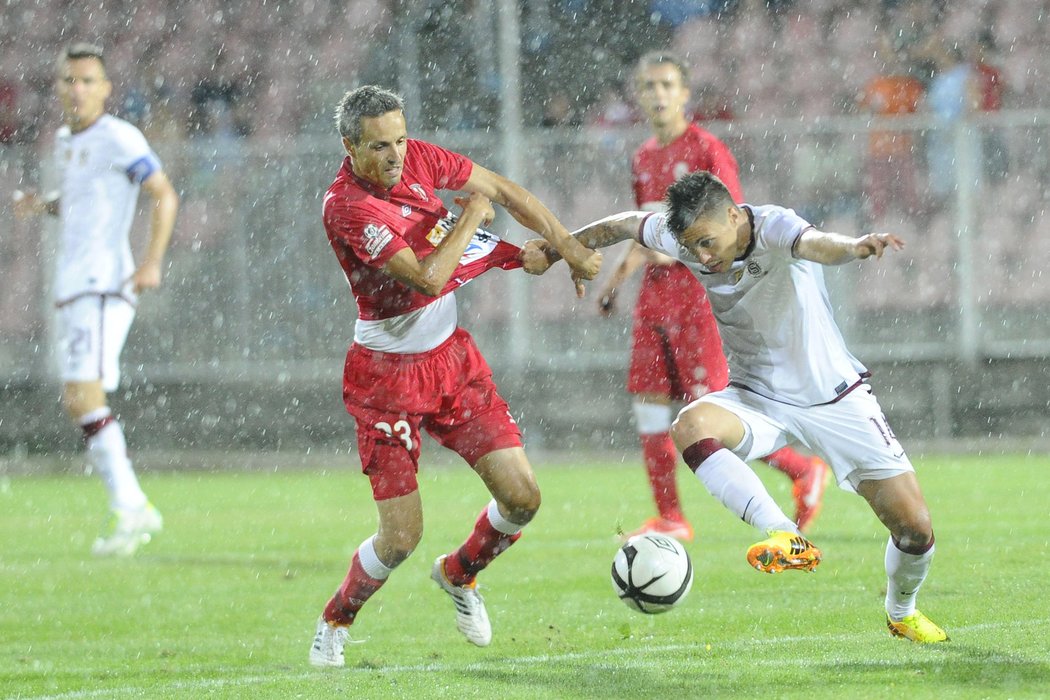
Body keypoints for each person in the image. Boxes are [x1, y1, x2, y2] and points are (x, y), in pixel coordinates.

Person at [523, 170, 948, 643]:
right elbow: (625, 223)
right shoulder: (683, 237)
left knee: (914, 529)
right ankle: (784, 533)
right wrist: (564, 247)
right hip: (756, 396)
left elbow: (817, 245)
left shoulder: (775, 227)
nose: (702, 257)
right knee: (690, 425)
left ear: (732, 214)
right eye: (691, 247)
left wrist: (852, 248)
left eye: (707, 242)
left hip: (835, 398)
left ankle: (901, 612)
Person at [309, 85, 602, 668]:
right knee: (399, 539)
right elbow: (427, 278)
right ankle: (336, 619)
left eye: (399, 139)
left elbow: (505, 191)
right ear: (349, 146)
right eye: (379, 147)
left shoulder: (416, 156)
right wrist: (469, 213)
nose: (395, 156)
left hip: (451, 361)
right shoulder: (347, 206)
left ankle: (459, 574)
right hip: (385, 379)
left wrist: (566, 247)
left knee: (522, 498)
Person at [596, 51, 827, 542]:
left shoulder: (707, 150)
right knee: (649, 406)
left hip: (697, 299)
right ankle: (671, 516)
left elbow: (732, 232)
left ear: (684, 94)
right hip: (653, 300)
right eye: (649, 86)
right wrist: (617, 277)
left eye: (666, 85)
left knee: (708, 414)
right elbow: (647, 230)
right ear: (638, 96)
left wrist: (677, 254)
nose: (657, 94)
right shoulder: (642, 158)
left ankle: (801, 469)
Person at [11, 43, 179, 557]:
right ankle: (131, 503)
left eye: (88, 81)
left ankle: (132, 507)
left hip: (103, 284)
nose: (77, 89)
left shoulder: (118, 137)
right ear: (58, 88)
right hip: (75, 286)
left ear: (106, 89)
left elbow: (163, 193)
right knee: (79, 398)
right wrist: (45, 205)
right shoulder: (67, 141)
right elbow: (85, 203)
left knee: (84, 396)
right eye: (68, 80)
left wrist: (151, 261)